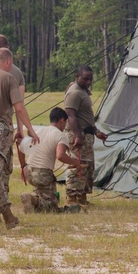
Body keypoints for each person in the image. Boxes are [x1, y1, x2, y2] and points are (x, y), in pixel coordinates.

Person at [0, 48, 39, 229]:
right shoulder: (9, 78)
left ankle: (5, 214)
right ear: (8, 62)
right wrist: (30, 130)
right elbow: (19, 108)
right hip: (0, 131)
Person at [20, 108, 83, 214]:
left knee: (42, 193)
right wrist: (76, 163)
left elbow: (21, 146)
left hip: (29, 171)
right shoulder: (60, 136)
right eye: (65, 123)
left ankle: (33, 198)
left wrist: (23, 166)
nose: (65, 126)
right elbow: (60, 155)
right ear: (62, 120)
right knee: (51, 208)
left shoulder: (38, 130)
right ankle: (32, 199)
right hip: (42, 174)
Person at [64, 65, 107, 207]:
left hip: (87, 133)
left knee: (87, 166)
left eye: (90, 79)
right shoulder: (74, 93)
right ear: (77, 77)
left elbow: (86, 116)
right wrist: (78, 135)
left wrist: (96, 132)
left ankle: (81, 197)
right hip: (79, 134)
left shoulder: (83, 91)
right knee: (78, 165)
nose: (89, 81)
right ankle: (71, 197)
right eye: (85, 79)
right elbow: (71, 115)